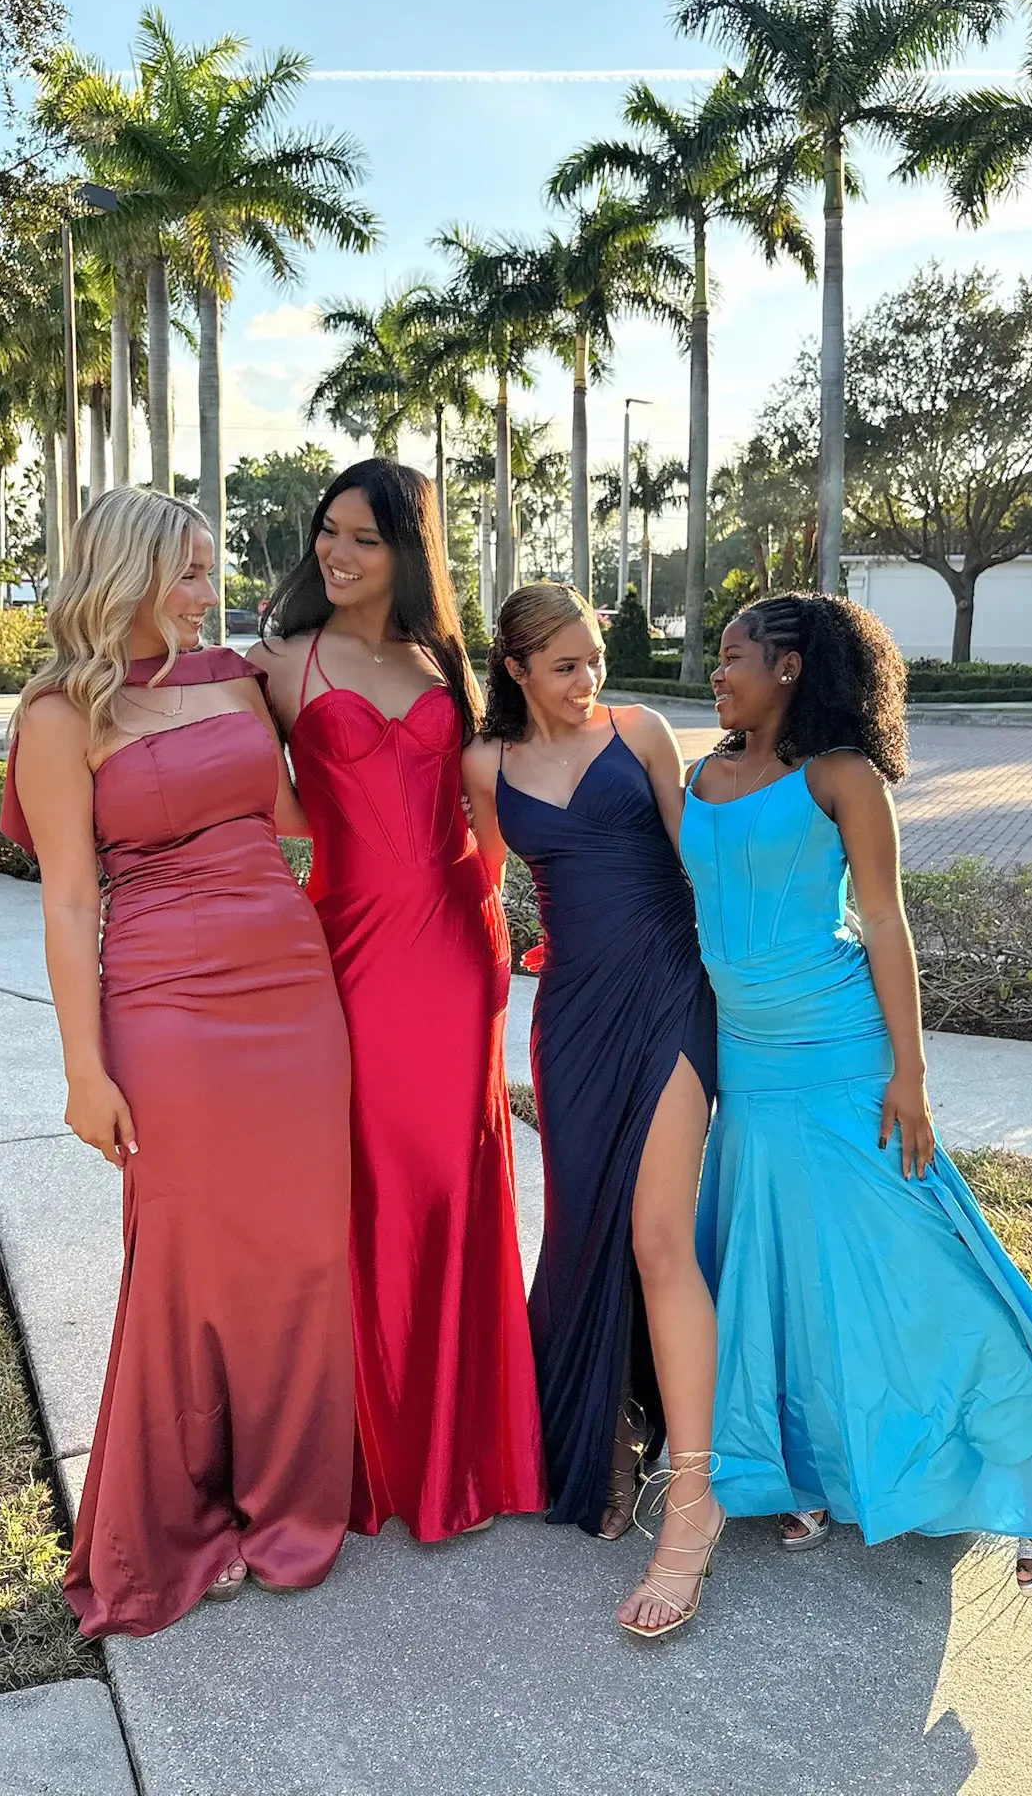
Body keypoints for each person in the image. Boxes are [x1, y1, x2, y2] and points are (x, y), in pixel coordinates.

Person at [682, 592, 1032, 1593]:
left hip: (842, 1062)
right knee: (778, 1284)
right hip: (748, 1069)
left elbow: (884, 920)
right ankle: (805, 1471)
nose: (719, 666)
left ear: (791, 668)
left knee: (917, 1283)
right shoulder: (701, 773)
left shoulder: (842, 777)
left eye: (736, 652)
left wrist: (910, 1074)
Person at [1, 487, 353, 1637]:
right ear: (131, 572)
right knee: (189, 1255)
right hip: (165, 1001)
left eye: (213, 570)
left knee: (301, 1247)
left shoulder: (240, 679)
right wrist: (82, 1068)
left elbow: (305, 813)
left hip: (290, 989)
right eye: (192, 571)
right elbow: (67, 897)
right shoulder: (63, 711)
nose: (210, 592)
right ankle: (186, 1510)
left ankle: (287, 1502)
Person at [253, 459, 545, 1542]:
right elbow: (259, 791)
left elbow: (484, 794)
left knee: (451, 1176)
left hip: (457, 941)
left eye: (363, 538)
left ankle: (467, 1441)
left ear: (408, 552)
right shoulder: (279, 663)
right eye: (328, 532)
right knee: (375, 1178)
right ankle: (382, 1449)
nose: (336, 552)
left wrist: (498, 897)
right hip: (352, 945)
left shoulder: (441, 658)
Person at [461, 584, 721, 1640]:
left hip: (667, 997)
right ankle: (604, 1436)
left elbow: (704, 866)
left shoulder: (643, 731)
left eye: (595, 658)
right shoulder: (485, 767)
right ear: (516, 667)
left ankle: (696, 1499)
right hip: (567, 1016)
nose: (588, 681)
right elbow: (477, 889)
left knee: (660, 1237)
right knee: (578, 1231)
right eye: (566, 664)